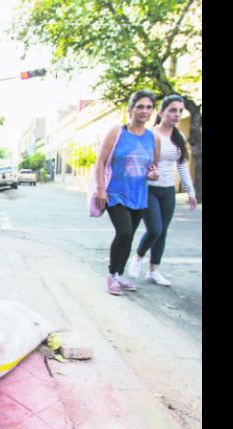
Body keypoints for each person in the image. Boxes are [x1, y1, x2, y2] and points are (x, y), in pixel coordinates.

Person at [94, 90, 161, 295]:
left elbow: (153, 167)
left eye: (149, 107)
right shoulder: (117, 132)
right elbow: (101, 161)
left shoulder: (153, 138)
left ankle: (120, 274)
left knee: (130, 236)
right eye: (140, 106)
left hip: (139, 195)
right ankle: (112, 275)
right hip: (116, 193)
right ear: (130, 109)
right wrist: (100, 188)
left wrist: (153, 174)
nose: (144, 111)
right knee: (123, 232)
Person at [127, 94, 197, 286]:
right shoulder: (150, 135)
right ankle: (138, 257)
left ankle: (154, 270)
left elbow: (182, 165)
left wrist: (190, 191)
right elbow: (137, 162)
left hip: (168, 191)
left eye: (180, 111)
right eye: (172, 110)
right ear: (161, 112)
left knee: (163, 231)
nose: (177, 115)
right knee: (155, 229)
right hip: (149, 189)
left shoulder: (178, 136)